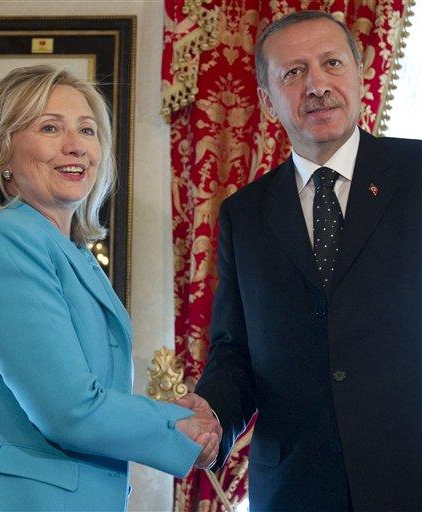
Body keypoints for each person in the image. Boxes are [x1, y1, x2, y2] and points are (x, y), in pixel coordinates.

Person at [0, 65, 221, 511]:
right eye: (50, 128)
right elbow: (68, 409)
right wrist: (180, 427)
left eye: (87, 130)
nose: (76, 146)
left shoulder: (72, 252)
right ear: (2, 151)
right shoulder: (1, 241)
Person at [177, 10, 422, 512]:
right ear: (268, 101)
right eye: (293, 72)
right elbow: (234, 351)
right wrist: (212, 414)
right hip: (295, 488)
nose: (317, 85)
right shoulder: (244, 215)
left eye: (332, 63)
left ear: (360, 75)